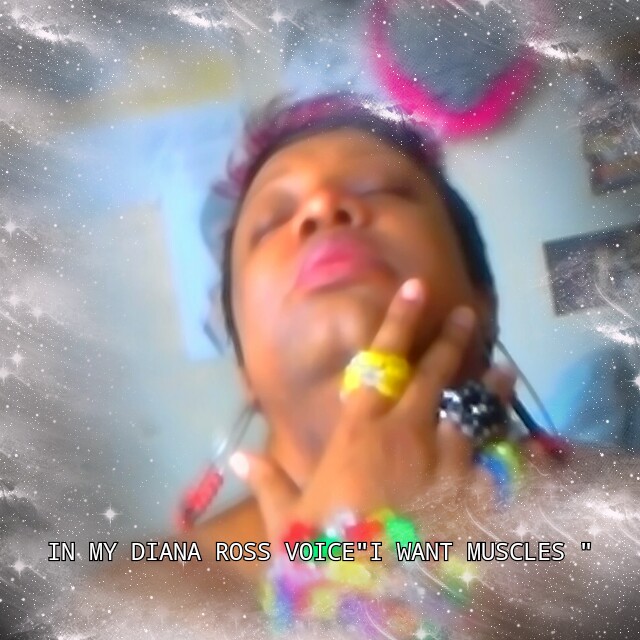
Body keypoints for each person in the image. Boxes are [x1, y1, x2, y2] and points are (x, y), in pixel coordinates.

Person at [88, 93, 639, 640]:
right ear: (245, 371)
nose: (322, 207)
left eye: (383, 190)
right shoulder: (135, 605)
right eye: (272, 221)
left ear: (482, 303)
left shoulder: (618, 513)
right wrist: (360, 578)